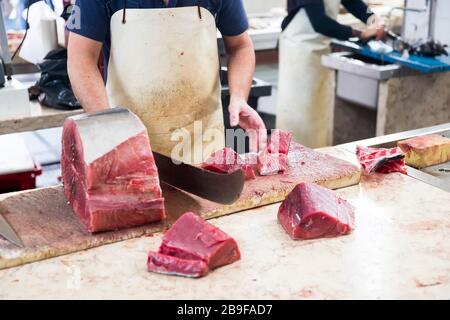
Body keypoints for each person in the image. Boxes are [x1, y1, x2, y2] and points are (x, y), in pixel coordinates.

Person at [66, 0, 266, 164]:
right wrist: (106, 122)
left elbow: (240, 46)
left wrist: (239, 96)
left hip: (203, 143)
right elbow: (80, 58)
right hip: (126, 141)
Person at [277, 0, 386, 148]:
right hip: (299, 50)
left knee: (317, 113)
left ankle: (317, 161)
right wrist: (360, 33)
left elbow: (352, 3)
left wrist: (372, 18)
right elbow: (319, 22)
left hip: (319, 48)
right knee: (300, 116)